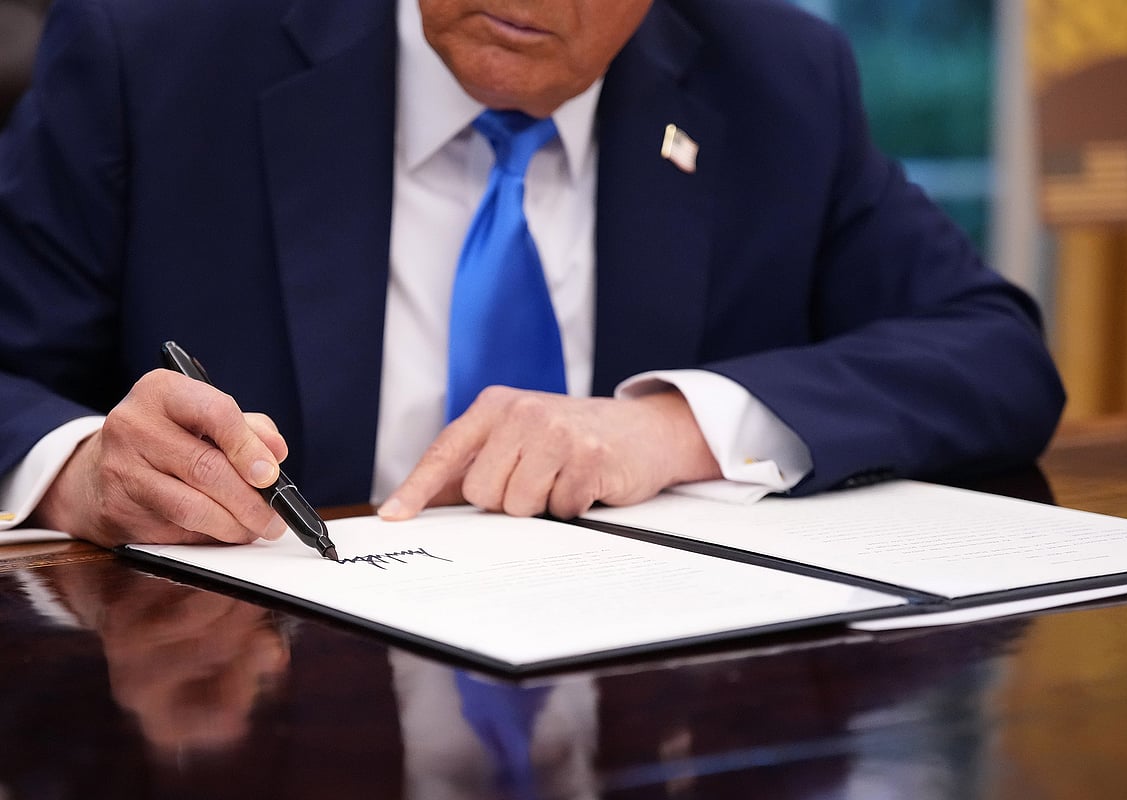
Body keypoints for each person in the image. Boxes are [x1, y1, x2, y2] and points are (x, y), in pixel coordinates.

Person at [0, 0, 1064, 549]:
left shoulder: (778, 78)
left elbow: (997, 351)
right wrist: (82, 467)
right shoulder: (159, 47)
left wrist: (670, 427)